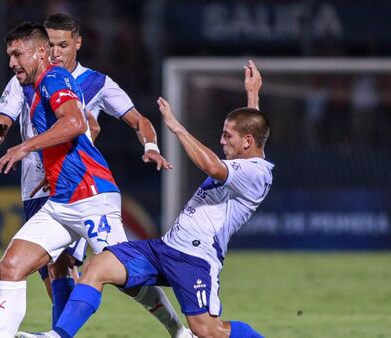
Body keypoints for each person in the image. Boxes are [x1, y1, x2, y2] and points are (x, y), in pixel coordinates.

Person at [17, 61, 271, 338]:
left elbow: (212, 166)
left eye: (227, 136)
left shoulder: (257, 173)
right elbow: (252, 129)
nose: (222, 142)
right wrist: (252, 95)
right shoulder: (247, 156)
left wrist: (177, 128)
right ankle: (59, 336)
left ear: (247, 141)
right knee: (98, 266)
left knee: (208, 331)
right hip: (166, 248)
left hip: (196, 259)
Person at [0, 14, 190, 338]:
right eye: (8, 55)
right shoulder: (36, 85)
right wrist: (50, 170)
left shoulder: (55, 80)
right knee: (11, 266)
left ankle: (179, 324)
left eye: (17, 54)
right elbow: (80, 131)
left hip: (91, 195)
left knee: (125, 275)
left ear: (40, 53)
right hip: (60, 197)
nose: (11, 63)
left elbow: (75, 124)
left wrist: (24, 147)